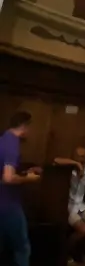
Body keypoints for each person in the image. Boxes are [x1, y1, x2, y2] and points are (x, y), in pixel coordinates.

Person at [0, 112, 41, 266]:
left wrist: (24, 172)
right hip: (8, 205)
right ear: (24, 126)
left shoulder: (2, 140)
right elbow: (8, 178)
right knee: (22, 248)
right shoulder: (12, 143)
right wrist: (28, 178)